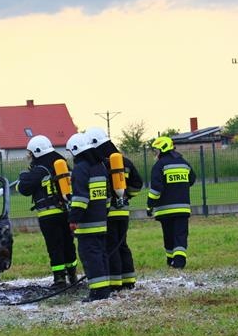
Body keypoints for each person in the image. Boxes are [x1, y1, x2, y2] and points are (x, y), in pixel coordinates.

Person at [85, 126, 143, 291]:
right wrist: (126, 196)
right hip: (123, 211)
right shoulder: (125, 161)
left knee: (110, 246)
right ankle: (129, 280)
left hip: (107, 211)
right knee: (122, 244)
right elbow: (137, 184)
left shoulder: (98, 163)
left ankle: (115, 283)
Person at [17, 135, 79, 288]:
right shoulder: (62, 164)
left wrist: (22, 178)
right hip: (66, 212)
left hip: (48, 215)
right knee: (68, 244)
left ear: (37, 152)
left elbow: (23, 189)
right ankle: (73, 276)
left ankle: (59, 279)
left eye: (31, 153)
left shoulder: (40, 169)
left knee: (54, 246)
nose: (29, 157)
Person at [65, 131, 111, 302]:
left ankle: (98, 293)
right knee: (101, 256)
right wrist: (103, 213)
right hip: (101, 221)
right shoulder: (100, 167)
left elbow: (81, 198)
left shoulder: (81, 169)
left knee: (90, 257)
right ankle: (104, 289)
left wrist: (73, 219)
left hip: (87, 224)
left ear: (76, 150)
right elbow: (107, 196)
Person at [146, 136, 196, 269]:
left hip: (165, 210)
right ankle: (179, 263)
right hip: (183, 209)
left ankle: (171, 261)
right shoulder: (184, 163)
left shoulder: (159, 165)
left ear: (162, 149)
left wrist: (150, 205)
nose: (155, 153)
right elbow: (192, 179)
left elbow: (155, 190)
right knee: (180, 235)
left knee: (168, 236)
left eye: (156, 150)